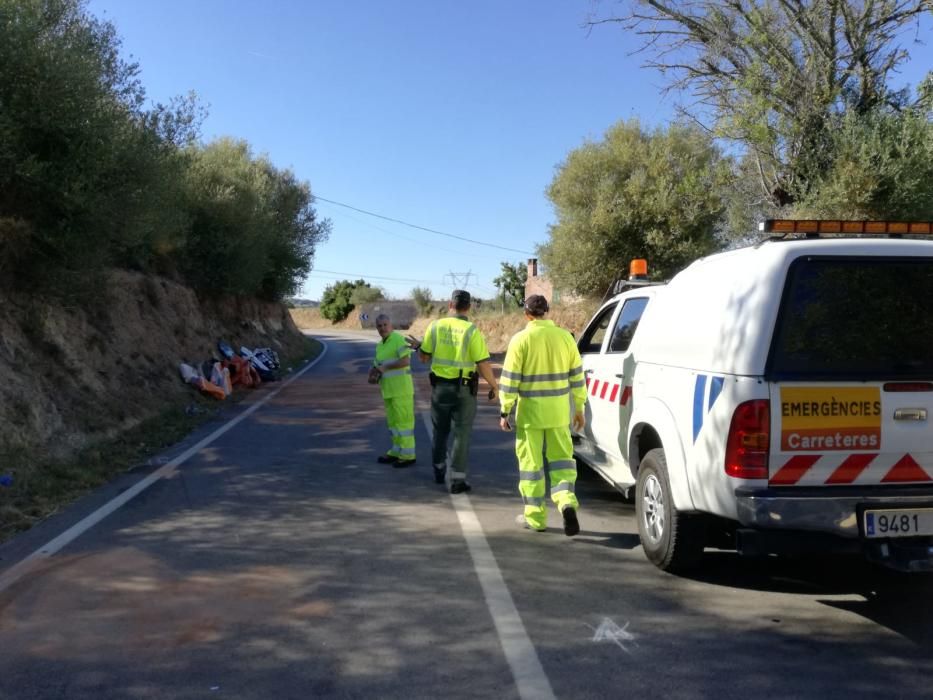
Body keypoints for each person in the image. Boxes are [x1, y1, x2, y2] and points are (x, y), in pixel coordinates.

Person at [499, 294, 586, 536]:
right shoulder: (565, 338)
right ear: (547, 311)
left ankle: (535, 518)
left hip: (531, 416)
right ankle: (566, 502)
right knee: (562, 463)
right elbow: (578, 377)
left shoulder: (521, 340)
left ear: (526, 314)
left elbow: (509, 381)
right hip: (559, 414)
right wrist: (579, 408)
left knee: (531, 468)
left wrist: (505, 410)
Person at [407, 290, 498, 493]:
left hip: (440, 389)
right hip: (464, 390)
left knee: (440, 430)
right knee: (461, 433)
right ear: (469, 307)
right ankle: (457, 480)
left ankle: (438, 469)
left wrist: (419, 347)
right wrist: (493, 385)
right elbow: (482, 363)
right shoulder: (471, 330)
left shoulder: (436, 326)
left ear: (450, 304)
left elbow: (424, 358)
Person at [371, 314, 416, 467]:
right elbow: (378, 364)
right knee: (393, 424)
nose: (382, 328)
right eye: (379, 326)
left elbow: (405, 360)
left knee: (404, 424)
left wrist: (385, 367)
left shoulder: (398, 339)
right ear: (376, 328)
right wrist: (374, 372)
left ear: (391, 325)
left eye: (385, 325)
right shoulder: (380, 345)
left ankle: (408, 455)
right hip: (388, 390)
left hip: (402, 390)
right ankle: (396, 451)